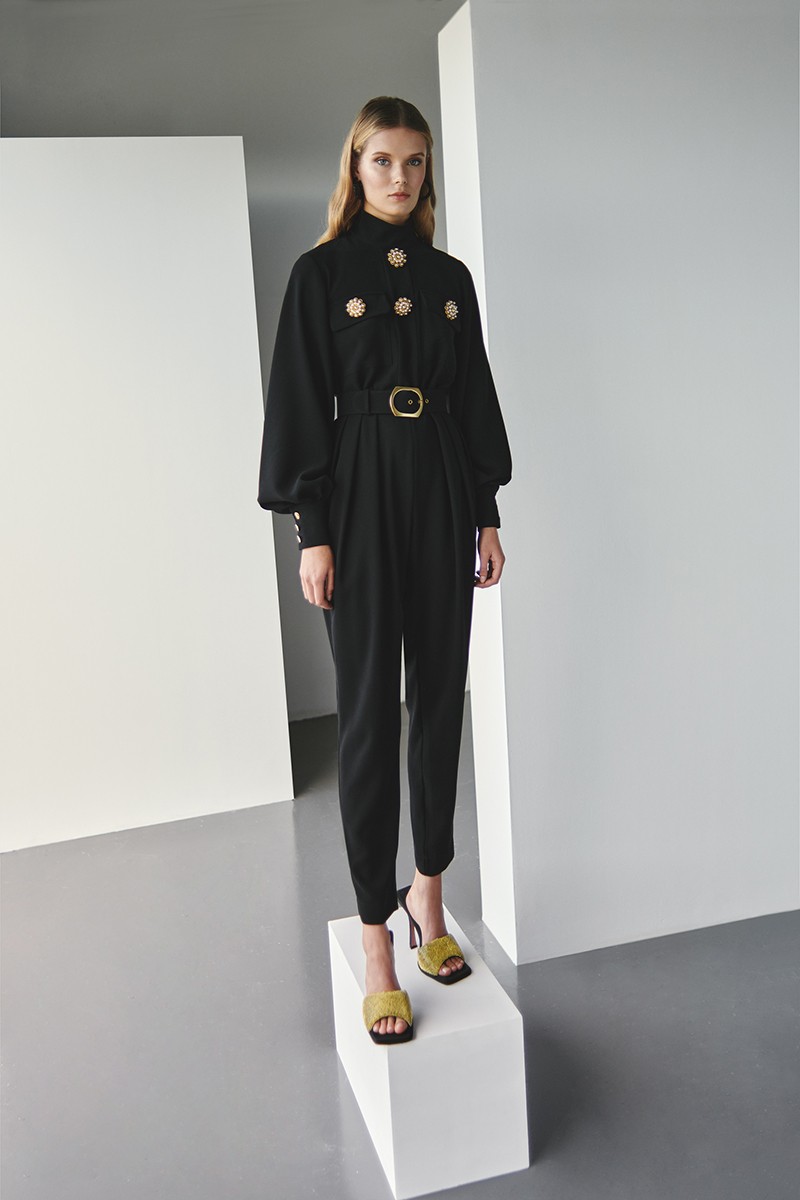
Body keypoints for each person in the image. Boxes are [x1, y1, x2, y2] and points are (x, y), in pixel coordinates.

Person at [257, 96, 512, 1045]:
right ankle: (375, 940)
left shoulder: (450, 279)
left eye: (413, 161)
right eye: (382, 161)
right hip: (357, 491)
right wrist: (312, 530)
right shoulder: (321, 273)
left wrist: (485, 511)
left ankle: (427, 899)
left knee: (440, 698)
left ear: (426, 169)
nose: (399, 177)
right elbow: (297, 401)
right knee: (366, 715)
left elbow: (473, 394)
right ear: (355, 167)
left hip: (442, 484)